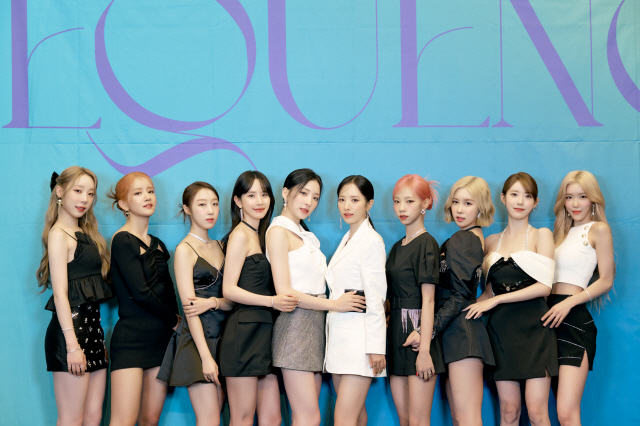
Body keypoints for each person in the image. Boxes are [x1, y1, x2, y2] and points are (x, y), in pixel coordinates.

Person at [266, 169, 366, 426]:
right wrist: (334, 304)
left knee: (310, 415)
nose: (309, 202)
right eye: (303, 193)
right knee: (308, 416)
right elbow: (284, 291)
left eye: (315, 197)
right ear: (285, 192)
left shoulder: (304, 234)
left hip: (317, 323)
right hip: (295, 324)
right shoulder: (278, 231)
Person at [465, 172, 557, 426]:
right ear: (503, 198)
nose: (520, 201)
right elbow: (488, 293)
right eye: (514, 194)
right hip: (501, 332)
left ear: (535, 202)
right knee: (509, 411)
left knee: (537, 412)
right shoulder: (490, 242)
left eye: (527, 196)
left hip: (536, 330)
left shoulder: (542, 235)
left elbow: (545, 287)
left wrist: (497, 300)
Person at [218, 171, 298, 426]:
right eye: (251, 195)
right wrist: (272, 301)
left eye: (264, 194)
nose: (259, 201)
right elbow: (228, 289)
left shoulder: (265, 235)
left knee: (272, 418)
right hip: (244, 333)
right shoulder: (240, 235)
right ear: (238, 201)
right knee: (242, 418)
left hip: (266, 332)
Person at [37, 167, 112, 426]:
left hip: (93, 332)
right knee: (72, 419)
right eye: (78, 191)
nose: (84, 199)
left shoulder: (87, 234)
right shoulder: (58, 235)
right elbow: (60, 295)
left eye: (90, 193)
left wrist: (96, 336)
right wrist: (72, 346)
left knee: (93, 418)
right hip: (71, 335)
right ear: (60, 192)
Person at [157, 182, 234, 426]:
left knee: (218, 414)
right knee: (209, 418)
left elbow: (233, 301)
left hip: (225, 338)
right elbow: (190, 310)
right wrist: (205, 357)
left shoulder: (222, 246)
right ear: (187, 209)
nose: (210, 210)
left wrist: (212, 302)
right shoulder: (184, 250)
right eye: (202, 204)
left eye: (214, 204)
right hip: (197, 340)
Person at [541, 171, 614, 426]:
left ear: (593, 199)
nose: (575, 203)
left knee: (566, 412)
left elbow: (606, 280)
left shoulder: (598, 229)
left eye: (582, 197)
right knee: (544, 407)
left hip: (574, 321)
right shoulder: (558, 235)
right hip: (548, 320)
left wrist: (569, 302)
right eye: (569, 197)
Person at [107, 172, 180, 426]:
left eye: (150, 191)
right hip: (132, 341)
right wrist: (175, 320)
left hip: (161, 339)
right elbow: (140, 292)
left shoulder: (158, 244)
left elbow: (169, 291)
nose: (147, 197)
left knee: (150, 419)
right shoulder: (122, 240)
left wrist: (177, 327)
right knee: (124, 421)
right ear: (123, 204)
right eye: (138, 193)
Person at [325, 175, 387, 426]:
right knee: (357, 416)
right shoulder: (348, 239)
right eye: (342, 200)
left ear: (369, 204)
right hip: (340, 340)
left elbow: (376, 298)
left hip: (360, 343)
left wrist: (376, 347)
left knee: (344, 419)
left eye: (354, 200)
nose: (347, 206)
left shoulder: (371, 241)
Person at [436, 176, 496, 426]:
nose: (459, 210)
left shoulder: (466, 239)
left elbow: (460, 295)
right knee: (461, 418)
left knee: (467, 419)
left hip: (462, 333)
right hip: (457, 331)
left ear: (481, 207)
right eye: (455, 202)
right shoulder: (474, 237)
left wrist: (428, 329)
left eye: (468, 203)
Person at [386, 174, 443, 426]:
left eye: (409, 201)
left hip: (418, 333)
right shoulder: (397, 247)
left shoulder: (427, 244)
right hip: (396, 333)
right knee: (405, 420)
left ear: (425, 203)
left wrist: (426, 350)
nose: (401, 208)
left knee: (419, 421)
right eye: (397, 201)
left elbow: (429, 300)